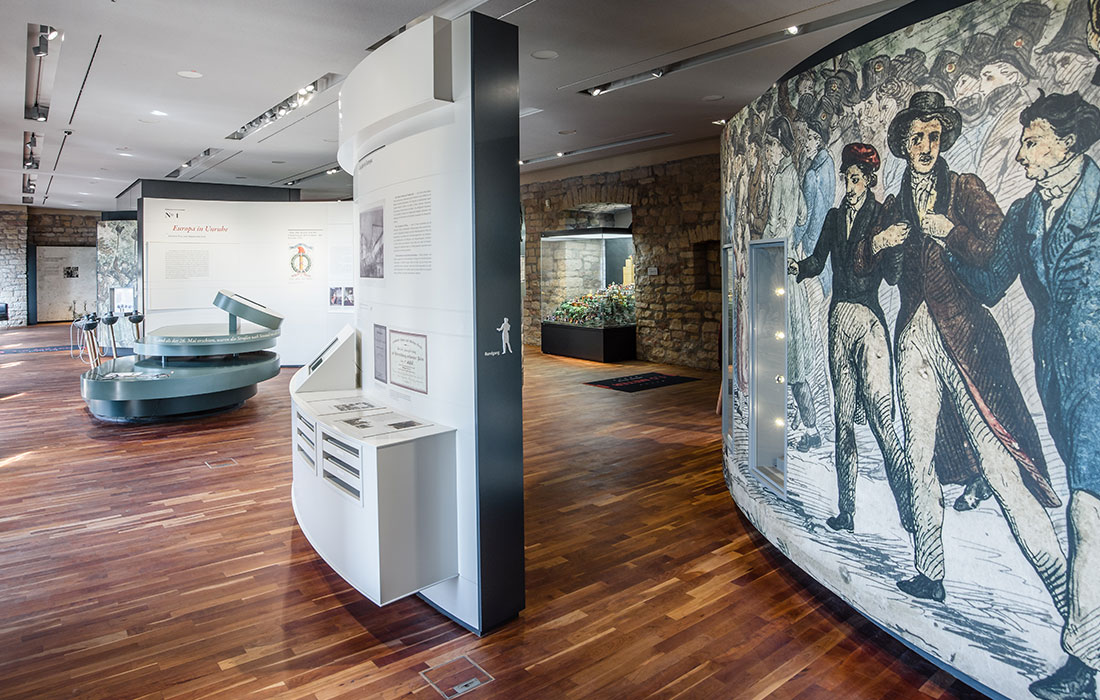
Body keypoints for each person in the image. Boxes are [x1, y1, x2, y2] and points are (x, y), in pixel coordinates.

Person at [858, 91, 1066, 607]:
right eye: (917, 137)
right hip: (914, 338)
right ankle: (929, 571)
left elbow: (998, 251)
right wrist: (882, 243)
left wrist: (950, 232)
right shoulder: (894, 204)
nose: (926, 146)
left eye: (933, 136)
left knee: (999, 462)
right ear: (904, 144)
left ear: (943, 140)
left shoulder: (965, 187)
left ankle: (1065, 594)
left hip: (965, 335)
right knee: (918, 457)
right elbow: (871, 269)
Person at [949, 91, 1100, 700]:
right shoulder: (1026, 210)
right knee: (1087, 502)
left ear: (1068, 144)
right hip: (1058, 375)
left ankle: (1086, 659)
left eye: (1033, 140)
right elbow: (990, 283)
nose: (1022, 152)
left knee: (1087, 507)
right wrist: (947, 240)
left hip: (1097, 373)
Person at [788, 143, 913, 533]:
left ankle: (909, 510)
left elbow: (892, 275)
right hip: (838, 321)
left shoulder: (882, 216)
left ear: (869, 180)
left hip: (869, 322)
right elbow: (818, 261)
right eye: (846, 179)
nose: (849, 186)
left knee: (881, 420)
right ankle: (846, 511)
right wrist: (797, 267)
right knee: (843, 421)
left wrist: (890, 242)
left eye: (856, 179)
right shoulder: (833, 217)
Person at [762, 116, 820, 450]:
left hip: (781, 274)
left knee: (792, 362)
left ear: (782, 147)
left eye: (771, 145)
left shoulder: (784, 177)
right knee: (790, 359)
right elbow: (801, 216)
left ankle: (810, 428)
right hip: (787, 276)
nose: (768, 151)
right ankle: (800, 421)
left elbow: (780, 226)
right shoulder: (789, 175)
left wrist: (766, 247)